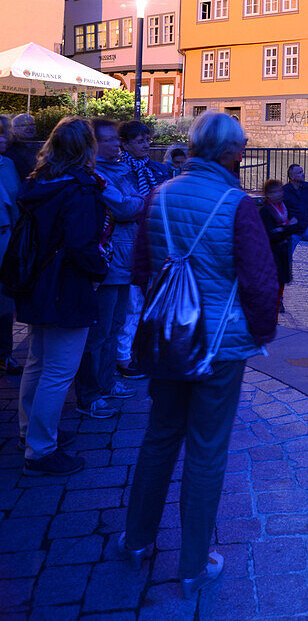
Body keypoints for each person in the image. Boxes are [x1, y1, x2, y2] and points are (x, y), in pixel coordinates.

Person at [120, 111, 278, 597]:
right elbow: (260, 281)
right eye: (244, 145)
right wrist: (261, 333)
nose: (246, 151)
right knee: (207, 449)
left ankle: (137, 541)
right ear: (231, 153)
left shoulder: (159, 195)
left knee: (160, 435)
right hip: (220, 346)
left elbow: (141, 268)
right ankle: (191, 567)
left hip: (170, 339)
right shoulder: (237, 204)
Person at [10, 118, 109, 476]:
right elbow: (83, 246)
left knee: (38, 361)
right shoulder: (79, 189)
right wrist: (100, 270)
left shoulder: (36, 182)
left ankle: (30, 431)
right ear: (86, 148)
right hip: (67, 286)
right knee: (58, 371)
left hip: (36, 282)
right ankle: (40, 450)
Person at [75, 119, 144, 418]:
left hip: (125, 256)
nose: (117, 144)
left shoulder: (121, 170)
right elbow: (126, 207)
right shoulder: (97, 174)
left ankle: (107, 382)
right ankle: (89, 395)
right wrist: (136, 202)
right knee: (100, 332)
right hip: (109, 257)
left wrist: (134, 202)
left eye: (117, 140)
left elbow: (135, 202)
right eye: (110, 140)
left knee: (115, 325)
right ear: (93, 144)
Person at [116, 120, 169, 377]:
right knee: (131, 302)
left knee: (147, 301)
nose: (147, 144)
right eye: (140, 141)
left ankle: (139, 351)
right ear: (124, 144)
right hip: (127, 244)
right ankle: (123, 356)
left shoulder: (155, 170)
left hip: (150, 241)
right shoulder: (119, 171)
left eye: (147, 139)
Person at [0, 116, 22, 376]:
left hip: (5, 238)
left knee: (5, 303)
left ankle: (4, 354)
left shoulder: (8, 164)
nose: (4, 139)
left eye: (5, 134)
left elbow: (17, 203)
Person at [259, 178, 296, 313]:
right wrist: (287, 228)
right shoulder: (266, 211)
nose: (278, 194)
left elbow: (294, 225)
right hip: (271, 255)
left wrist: (285, 229)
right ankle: (269, 320)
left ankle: (273, 320)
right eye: (274, 192)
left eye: (279, 191)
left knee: (280, 288)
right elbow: (271, 234)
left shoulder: (284, 208)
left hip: (282, 254)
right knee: (271, 290)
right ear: (268, 194)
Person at [6, 113, 38, 183]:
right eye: (24, 125)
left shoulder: (39, 146)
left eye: (32, 124)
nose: (30, 128)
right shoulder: (8, 148)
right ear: (13, 129)